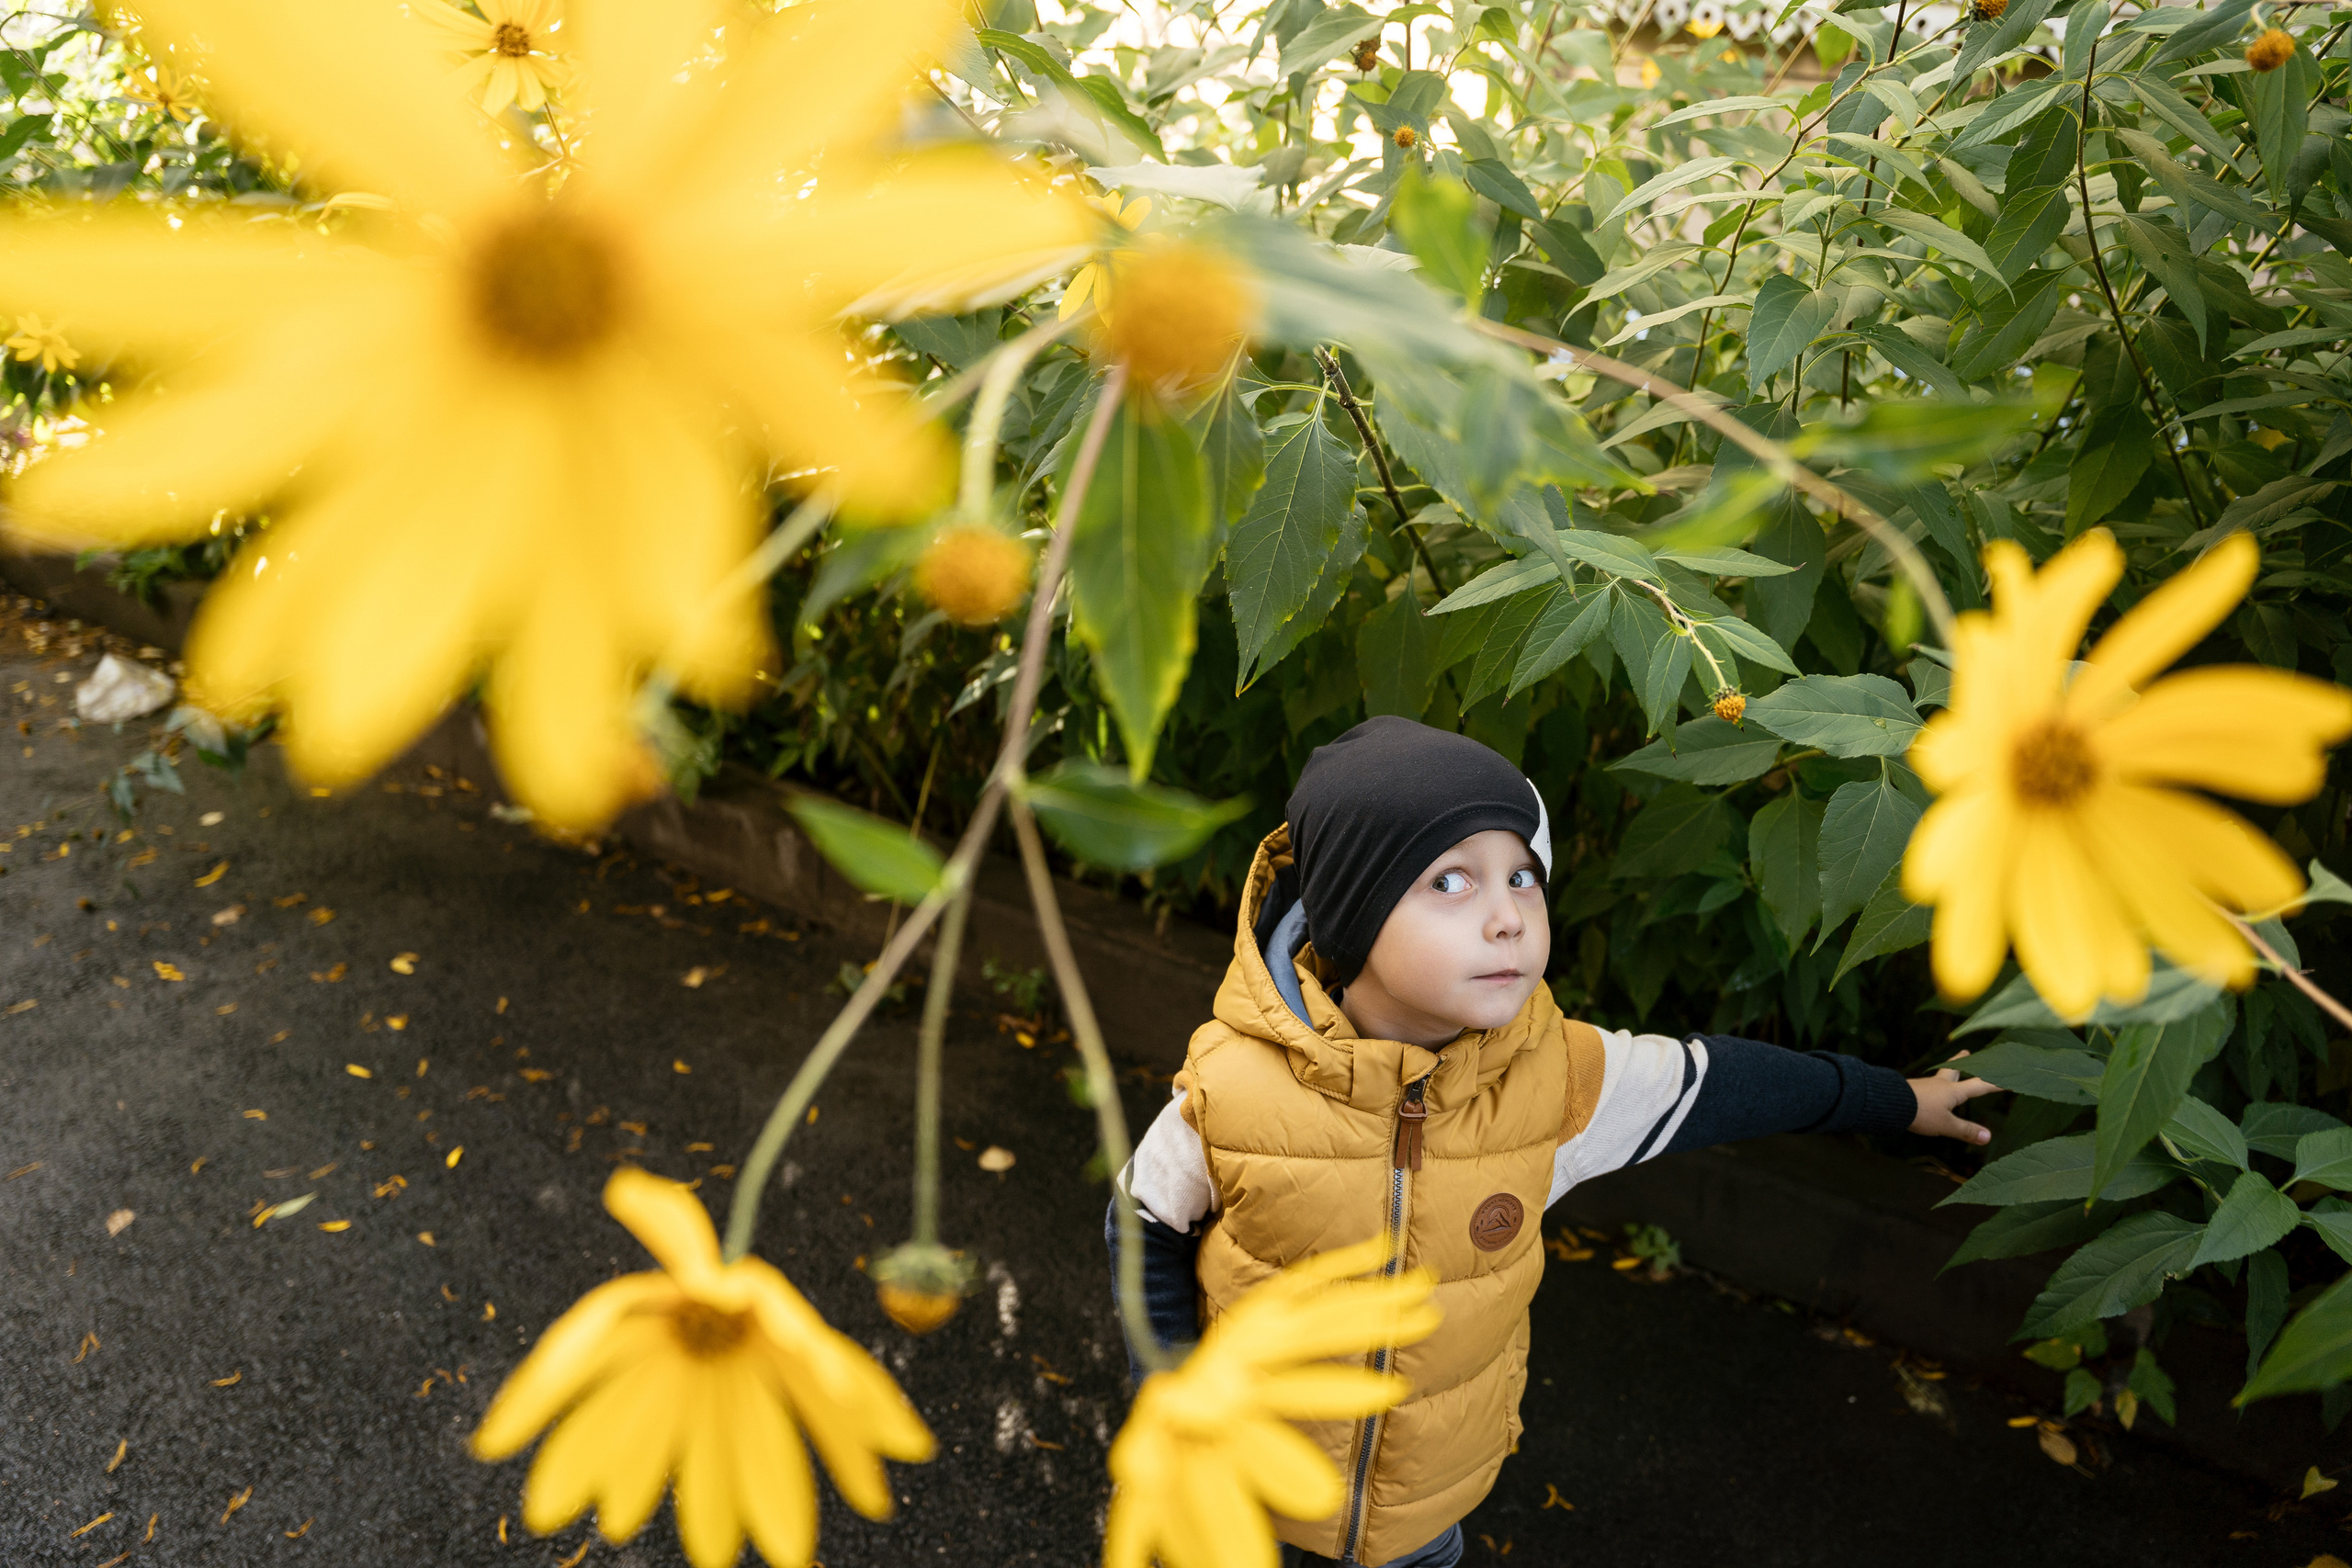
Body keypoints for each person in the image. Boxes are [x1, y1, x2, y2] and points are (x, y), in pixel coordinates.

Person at [1106, 716, 1998, 1568]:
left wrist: (1900, 1101)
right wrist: (1177, 1384)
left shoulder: (1556, 1078)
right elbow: (1144, 1219)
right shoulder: (1234, 1082)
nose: (1506, 917)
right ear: (1350, 917)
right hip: (1243, 1492)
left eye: (1520, 876)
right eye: (1449, 882)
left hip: (1421, 1508)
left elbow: (1727, 1083)